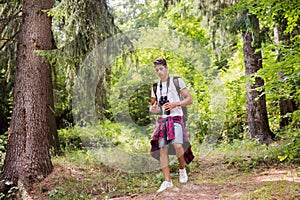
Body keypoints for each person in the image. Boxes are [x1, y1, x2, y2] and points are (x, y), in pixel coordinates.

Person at [149, 58, 194, 193]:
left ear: (166, 68)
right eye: (156, 70)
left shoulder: (177, 81)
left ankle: (182, 169)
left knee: (178, 144)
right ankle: (167, 181)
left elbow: (189, 99)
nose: (159, 72)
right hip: (163, 119)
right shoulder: (155, 87)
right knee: (162, 148)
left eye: (161, 69)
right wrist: (153, 109)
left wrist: (176, 104)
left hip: (176, 117)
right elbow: (154, 107)